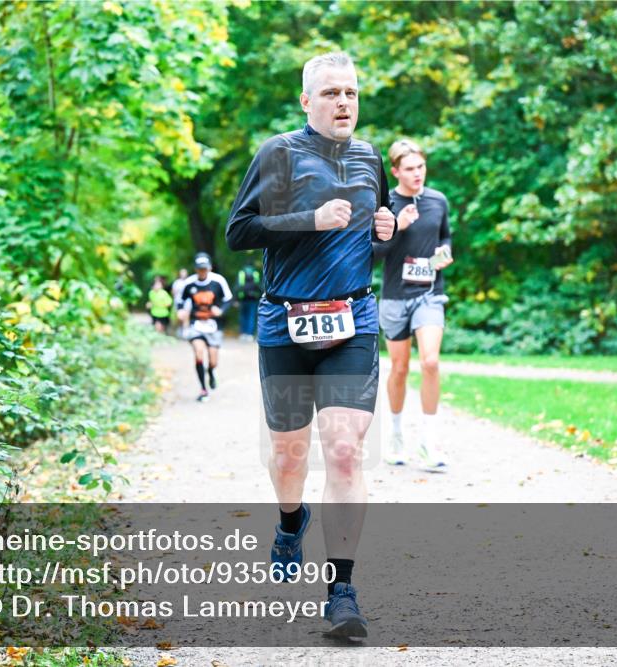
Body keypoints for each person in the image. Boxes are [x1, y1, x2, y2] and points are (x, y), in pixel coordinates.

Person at [226, 51, 395, 639]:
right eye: (330, 94)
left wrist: (386, 230)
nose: (343, 103)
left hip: (352, 318)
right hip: (285, 322)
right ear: (306, 101)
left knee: (345, 450)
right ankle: (290, 519)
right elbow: (239, 231)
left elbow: (373, 233)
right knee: (290, 457)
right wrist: (309, 219)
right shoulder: (279, 153)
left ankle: (341, 590)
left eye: (350, 92)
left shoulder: (372, 156)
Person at [373, 139, 453, 471]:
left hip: (429, 294)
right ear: (395, 171)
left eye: (420, 167)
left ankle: (430, 440)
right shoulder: (385, 204)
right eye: (409, 169)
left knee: (431, 362)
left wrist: (445, 253)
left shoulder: (438, 201)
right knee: (401, 368)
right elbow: (372, 252)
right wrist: (398, 227)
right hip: (394, 297)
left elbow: (445, 236)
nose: (417, 173)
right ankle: (395, 434)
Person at [177, 253, 232, 402]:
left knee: (213, 361)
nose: (202, 271)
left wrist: (220, 310)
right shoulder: (189, 283)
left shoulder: (218, 281)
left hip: (213, 326)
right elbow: (180, 300)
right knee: (199, 353)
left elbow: (228, 299)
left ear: (210, 268)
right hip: (196, 325)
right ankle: (203, 389)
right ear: (195, 269)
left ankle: (211, 372)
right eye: (200, 269)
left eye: (205, 269)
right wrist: (181, 310)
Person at [236, 264, 262, 341]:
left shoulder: (241, 273)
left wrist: (235, 299)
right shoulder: (255, 273)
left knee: (243, 317)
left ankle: (243, 334)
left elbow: (237, 287)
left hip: (243, 299)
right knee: (251, 317)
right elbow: (260, 287)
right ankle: (250, 334)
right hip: (253, 299)